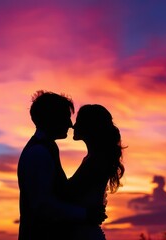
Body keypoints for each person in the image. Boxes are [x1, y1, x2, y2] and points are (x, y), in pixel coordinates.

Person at [17, 91, 107, 240]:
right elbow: (42, 206)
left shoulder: (48, 148)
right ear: (52, 118)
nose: (70, 124)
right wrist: (85, 214)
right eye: (66, 117)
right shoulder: (38, 152)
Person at [64, 104, 125, 240]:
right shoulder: (94, 158)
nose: (73, 126)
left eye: (79, 121)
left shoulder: (97, 160)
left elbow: (69, 193)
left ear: (90, 126)